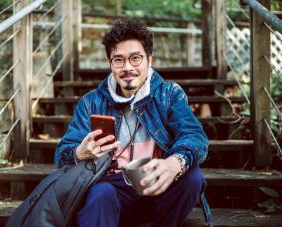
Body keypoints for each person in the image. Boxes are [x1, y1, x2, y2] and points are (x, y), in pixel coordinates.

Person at [54, 18, 211, 227]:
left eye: (135, 58)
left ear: (149, 59)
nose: (127, 67)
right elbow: (62, 153)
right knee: (101, 192)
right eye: (118, 60)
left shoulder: (169, 94)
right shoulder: (90, 102)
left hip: (158, 184)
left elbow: (194, 135)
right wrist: (78, 153)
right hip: (112, 191)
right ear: (110, 64)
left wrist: (175, 163)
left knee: (192, 177)